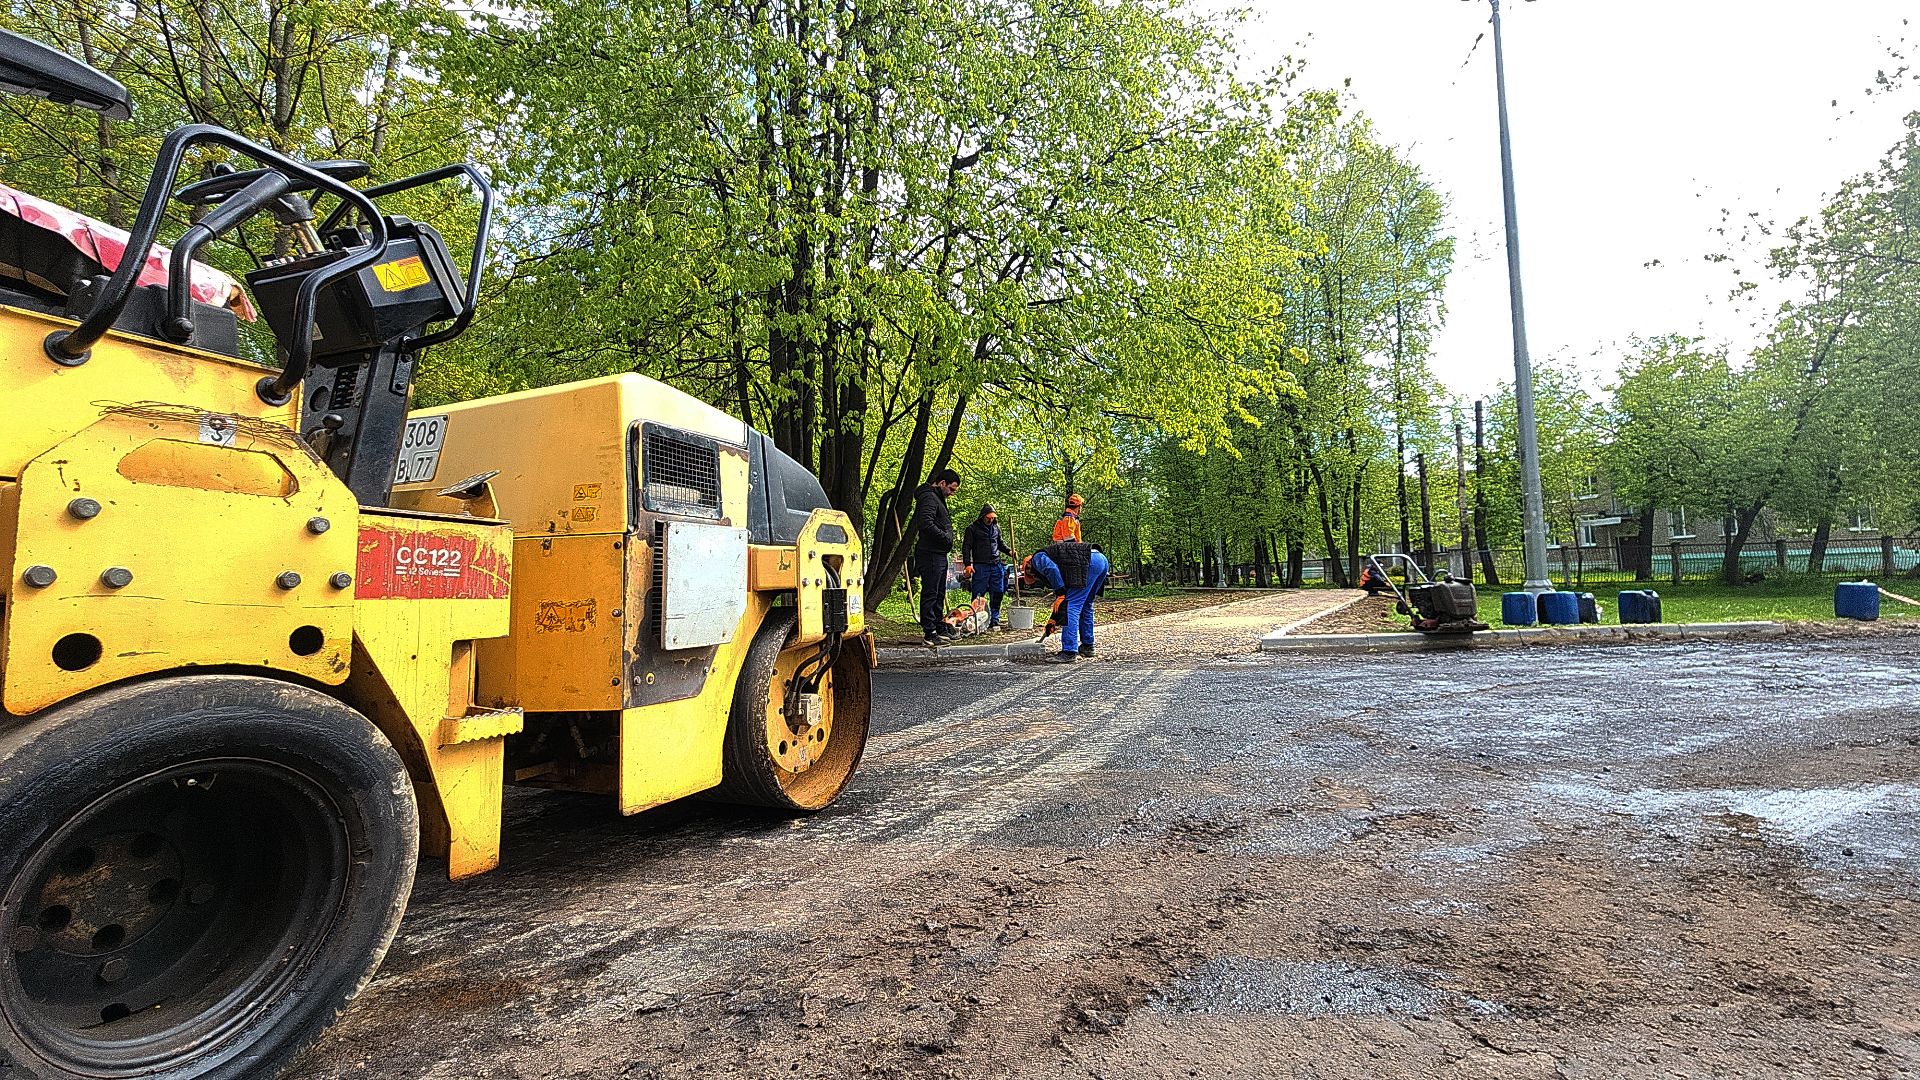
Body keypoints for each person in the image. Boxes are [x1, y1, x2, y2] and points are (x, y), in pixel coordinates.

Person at [1021, 539, 1110, 663]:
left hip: (1089, 562)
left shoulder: (1037, 558)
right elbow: (1059, 578)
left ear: (1028, 566)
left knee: (1071, 606)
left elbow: (1051, 569)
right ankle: (1088, 646)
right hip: (1101, 559)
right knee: (1085, 605)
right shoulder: (1062, 560)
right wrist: (1053, 620)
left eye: (1032, 576)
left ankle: (1069, 651)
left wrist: (1060, 592)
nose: (1035, 578)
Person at [910, 468, 961, 647]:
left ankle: (939, 626)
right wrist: (945, 537)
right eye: (951, 489)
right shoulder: (929, 497)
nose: (952, 493)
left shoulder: (937, 498)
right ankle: (929, 632)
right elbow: (925, 523)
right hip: (930, 553)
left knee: (939, 592)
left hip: (938, 553)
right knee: (931, 592)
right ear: (942, 483)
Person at [962, 504, 1015, 630]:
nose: (990, 520)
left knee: (998, 592)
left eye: (992, 518)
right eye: (988, 518)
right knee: (979, 594)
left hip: (996, 565)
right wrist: (968, 564)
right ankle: (976, 620)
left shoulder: (996, 528)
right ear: (982, 517)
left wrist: (1009, 552)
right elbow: (966, 547)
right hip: (980, 566)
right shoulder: (972, 529)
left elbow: (1000, 544)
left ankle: (994, 618)